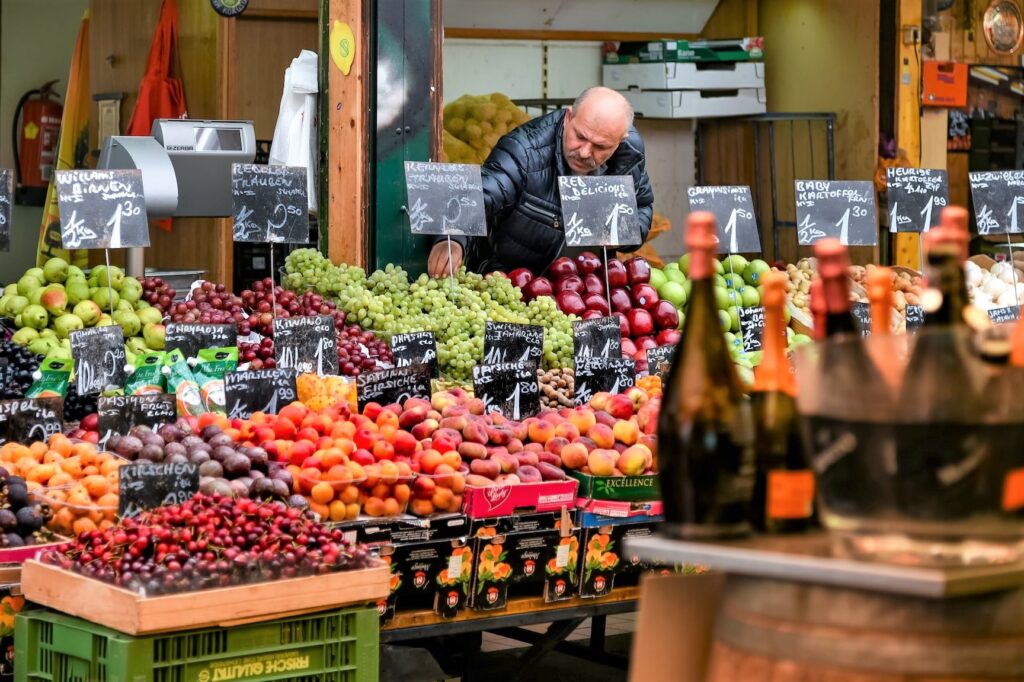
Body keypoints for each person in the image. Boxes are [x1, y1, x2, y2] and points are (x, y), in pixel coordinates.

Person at [427, 86, 654, 276]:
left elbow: (641, 207)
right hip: (517, 282)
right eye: (580, 137)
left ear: (620, 140)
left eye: (600, 146)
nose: (585, 152)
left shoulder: (629, 152)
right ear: (568, 117)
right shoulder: (525, 149)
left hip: (584, 290)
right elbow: (480, 195)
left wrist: (620, 236)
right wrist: (453, 238)